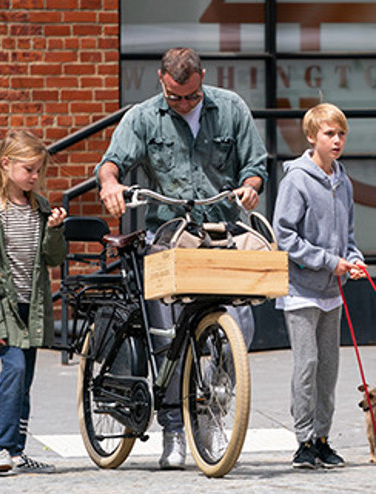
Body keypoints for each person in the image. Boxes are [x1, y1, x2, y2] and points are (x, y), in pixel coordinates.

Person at [95, 47, 268, 469]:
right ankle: (173, 430)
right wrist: (110, 185)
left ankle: (212, 404)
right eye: (176, 97)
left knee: (241, 318)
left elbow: (255, 163)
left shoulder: (230, 108)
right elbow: (111, 163)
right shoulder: (145, 116)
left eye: (191, 96)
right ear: (162, 81)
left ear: (202, 79)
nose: (184, 104)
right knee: (166, 336)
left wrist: (250, 186)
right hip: (169, 231)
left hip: (220, 229)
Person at [272, 103, 366, 469]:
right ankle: (303, 440)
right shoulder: (296, 179)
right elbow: (285, 236)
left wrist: (353, 260)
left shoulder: (344, 181)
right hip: (300, 291)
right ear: (312, 137)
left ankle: (323, 438)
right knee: (307, 363)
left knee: (329, 368)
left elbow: (349, 237)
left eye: (341, 133)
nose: (337, 140)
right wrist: (329, 261)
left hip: (332, 294)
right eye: (329, 133)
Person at [0, 130, 67, 475]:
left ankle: (17, 452)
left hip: (33, 309)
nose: (35, 177)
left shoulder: (40, 208)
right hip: (5, 311)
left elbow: (53, 258)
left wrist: (55, 229)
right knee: (13, 370)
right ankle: (1, 448)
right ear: (6, 164)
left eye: (39, 170)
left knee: (24, 379)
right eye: (29, 169)